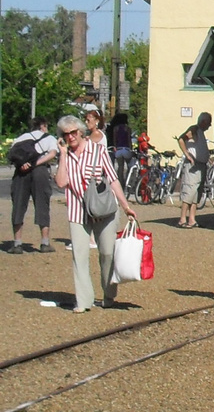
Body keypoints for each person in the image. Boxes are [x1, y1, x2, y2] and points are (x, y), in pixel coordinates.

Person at [55, 114, 138, 312]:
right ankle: (83, 301)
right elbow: (61, 182)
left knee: (107, 253)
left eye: (73, 132)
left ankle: (109, 294)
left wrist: (126, 206)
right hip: (78, 211)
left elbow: (114, 180)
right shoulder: (66, 155)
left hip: (104, 209)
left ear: (81, 131)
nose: (70, 137)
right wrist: (64, 155)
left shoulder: (98, 151)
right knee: (79, 256)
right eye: (66, 134)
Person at [8, 116, 59, 253]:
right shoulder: (49, 138)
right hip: (40, 171)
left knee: (18, 204)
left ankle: (17, 243)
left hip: (21, 172)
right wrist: (35, 163)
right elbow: (53, 153)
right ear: (43, 126)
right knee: (42, 204)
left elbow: (13, 155)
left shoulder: (21, 138)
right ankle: (44, 242)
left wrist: (24, 164)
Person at [176, 112, 212, 229]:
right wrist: (187, 154)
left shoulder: (200, 132)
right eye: (208, 122)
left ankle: (192, 219)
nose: (210, 125)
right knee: (189, 191)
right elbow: (181, 139)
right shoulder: (194, 129)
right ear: (203, 122)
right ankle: (182, 219)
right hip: (193, 166)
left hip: (201, 165)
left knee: (196, 193)